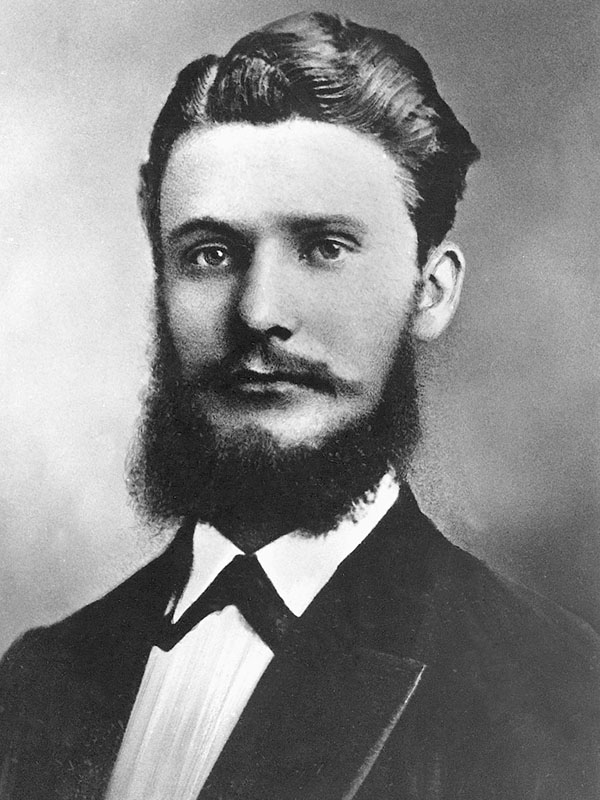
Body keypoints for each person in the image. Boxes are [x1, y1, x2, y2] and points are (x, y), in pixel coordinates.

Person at [0, 11, 598, 800]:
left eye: (324, 248)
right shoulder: (37, 677)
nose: (259, 312)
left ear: (430, 290)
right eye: (210, 254)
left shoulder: (552, 689)